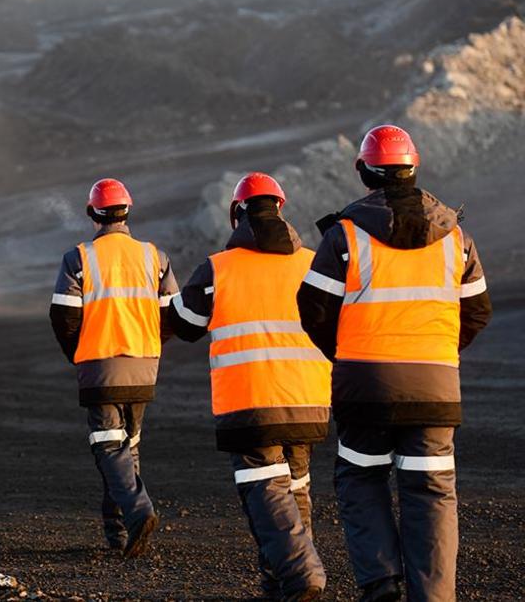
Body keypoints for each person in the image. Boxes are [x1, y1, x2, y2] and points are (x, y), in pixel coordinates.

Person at [297, 125, 492, 602]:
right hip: (435, 387)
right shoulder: (456, 239)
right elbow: (478, 310)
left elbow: (313, 309)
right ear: (414, 168)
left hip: (364, 385)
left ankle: (381, 584)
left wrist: (345, 356)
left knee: (362, 478)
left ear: (364, 171)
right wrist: (438, 352)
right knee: (431, 491)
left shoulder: (344, 236)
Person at [168, 172, 330, 601]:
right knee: (295, 487)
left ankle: (301, 575)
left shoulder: (219, 268)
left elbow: (184, 325)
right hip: (309, 397)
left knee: (263, 486)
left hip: (251, 400)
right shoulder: (313, 261)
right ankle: (278, 584)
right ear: (280, 209)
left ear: (237, 214)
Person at [49, 178, 178, 557]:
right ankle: (118, 533)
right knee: (126, 448)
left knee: (108, 446)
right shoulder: (155, 256)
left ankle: (138, 512)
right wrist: (151, 345)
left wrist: (79, 352)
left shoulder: (79, 258)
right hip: (143, 364)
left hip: (99, 364)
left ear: (93, 213)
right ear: (127, 211)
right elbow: (172, 313)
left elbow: (63, 316)